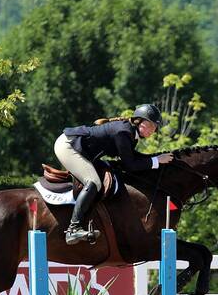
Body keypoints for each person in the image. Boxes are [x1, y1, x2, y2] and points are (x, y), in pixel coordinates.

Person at [54, 103, 174, 245]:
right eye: (151, 126)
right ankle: (73, 229)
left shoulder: (129, 132)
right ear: (139, 121)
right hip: (68, 145)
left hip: (80, 149)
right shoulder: (124, 132)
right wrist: (156, 160)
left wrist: (156, 159)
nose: (153, 131)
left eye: (155, 128)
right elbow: (130, 165)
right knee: (93, 182)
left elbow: (131, 157)